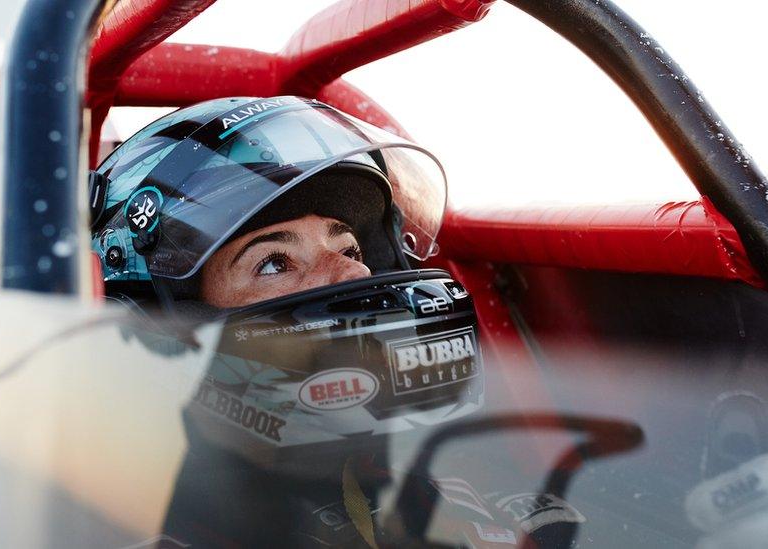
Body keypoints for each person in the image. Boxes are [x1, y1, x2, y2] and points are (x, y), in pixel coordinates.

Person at [89, 96, 489, 546]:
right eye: (275, 263)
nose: (355, 274)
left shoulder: (429, 496)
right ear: (164, 326)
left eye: (350, 250)